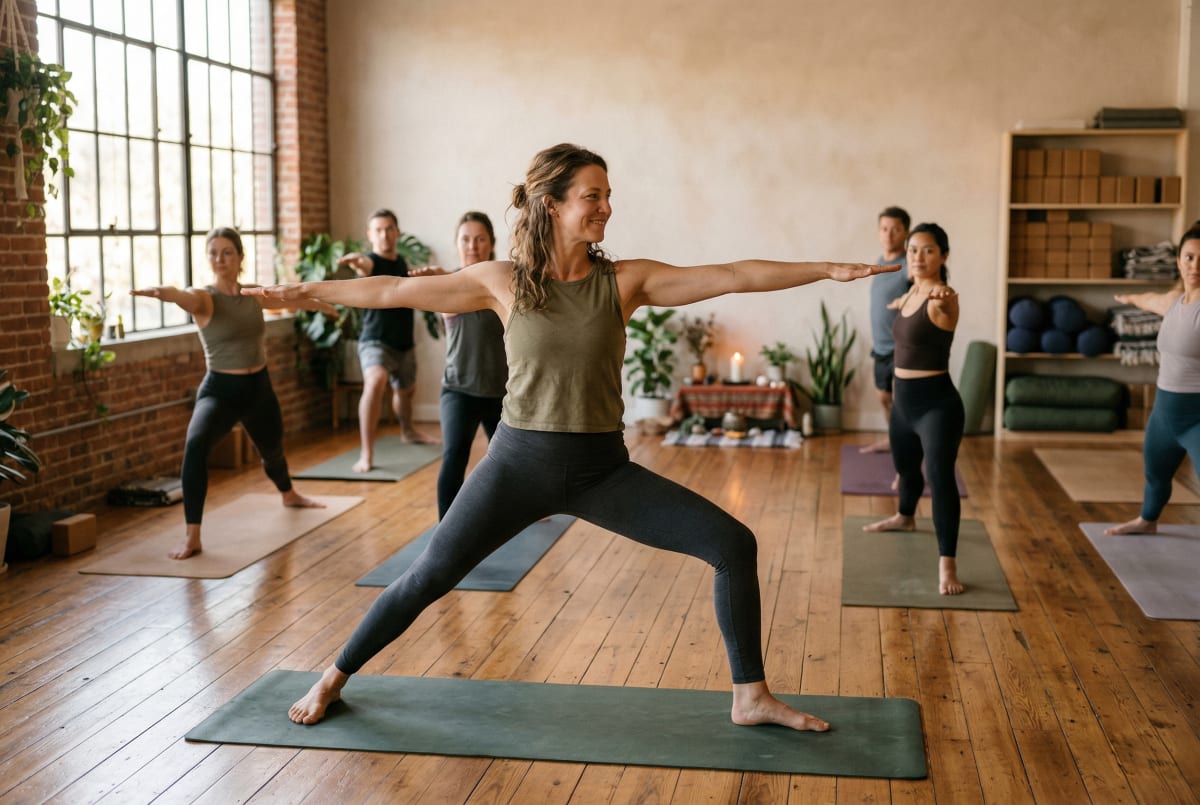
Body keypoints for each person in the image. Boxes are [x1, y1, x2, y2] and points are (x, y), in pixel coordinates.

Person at [246, 143, 898, 731]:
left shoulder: (624, 281)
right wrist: (304, 290)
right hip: (515, 464)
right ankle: (332, 676)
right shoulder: (502, 281)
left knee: (733, 542)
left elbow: (731, 273)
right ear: (552, 204)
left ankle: (749, 694)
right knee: (428, 576)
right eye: (594, 196)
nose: (607, 209)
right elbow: (390, 288)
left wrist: (825, 268)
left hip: (601, 471)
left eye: (609, 197)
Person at [130, 227, 334, 560]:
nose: (219, 258)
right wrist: (162, 293)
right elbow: (184, 296)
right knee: (196, 446)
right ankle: (192, 535)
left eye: (227, 252)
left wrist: (322, 305)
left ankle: (289, 494)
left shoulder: (253, 293)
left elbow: (290, 298)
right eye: (213, 252)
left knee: (272, 451)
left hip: (259, 388)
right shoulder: (205, 298)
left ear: (240, 257)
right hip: (220, 391)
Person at [862, 223, 965, 595]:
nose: (918, 258)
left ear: (943, 256)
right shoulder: (908, 295)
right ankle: (905, 518)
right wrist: (901, 302)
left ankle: (947, 566)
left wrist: (943, 297)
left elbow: (945, 303)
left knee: (939, 477)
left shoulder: (941, 298)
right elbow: (908, 309)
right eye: (912, 251)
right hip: (903, 404)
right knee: (906, 469)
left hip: (937, 405)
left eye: (928, 251)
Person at [1105, 221, 1200, 535]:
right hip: (1164, 412)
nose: (1195, 266)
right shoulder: (1174, 302)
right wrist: (1129, 298)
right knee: (1155, 474)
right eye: (1189, 257)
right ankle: (1147, 521)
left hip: (1196, 416)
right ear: (1178, 260)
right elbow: (1150, 298)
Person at [414, 212, 509, 519]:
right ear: (457, 244)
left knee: (511, 463)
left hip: (500, 392)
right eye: (465, 239)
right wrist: (441, 280)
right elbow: (450, 293)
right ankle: (446, 533)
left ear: (491, 243)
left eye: (480, 239)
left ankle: (516, 514)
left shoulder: (503, 283)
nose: (473, 245)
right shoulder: (447, 283)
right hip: (459, 390)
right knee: (455, 455)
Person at [338, 209, 434, 473]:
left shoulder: (402, 263)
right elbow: (364, 265)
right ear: (370, 236)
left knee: (406, 391)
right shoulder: (371, 262)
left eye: (389, 228)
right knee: (376, 381)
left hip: (403, 341)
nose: (384, 234)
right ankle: (366, 453)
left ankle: (408, 431)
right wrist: (357, 262)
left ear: (397, 232)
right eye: (378, 230)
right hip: (375, 341)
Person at [861, 206, 911, 453]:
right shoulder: (879, 263)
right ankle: (894, 440)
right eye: (884, 229)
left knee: (902, 401)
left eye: (895, 229)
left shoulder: (908, 266)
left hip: (901, 347)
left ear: (906, 232)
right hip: (880, 346)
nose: (889, 235)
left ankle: (907, 449)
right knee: (884, 397)